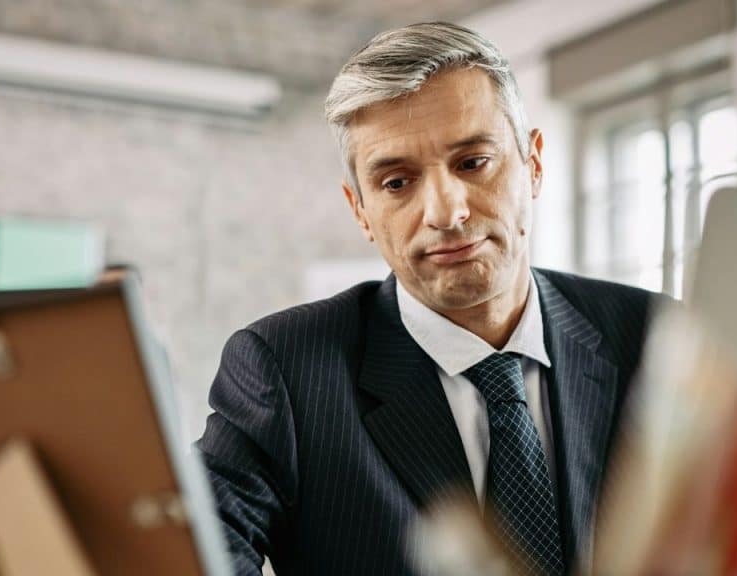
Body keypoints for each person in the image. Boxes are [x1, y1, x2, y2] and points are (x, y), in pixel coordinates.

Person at [197, 22, 664, 576]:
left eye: (473, 163)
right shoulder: (286, 368)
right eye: (397, 182)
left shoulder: (657, 337)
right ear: (360, 209)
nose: (446, 213)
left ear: (533, 164)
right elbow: (191, 554)